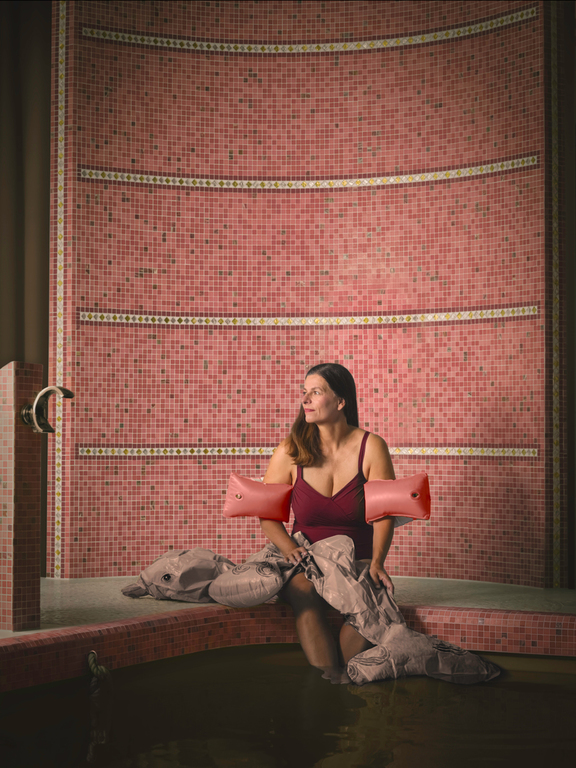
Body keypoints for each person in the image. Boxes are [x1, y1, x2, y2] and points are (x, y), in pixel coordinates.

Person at [260, 362, 398, 684]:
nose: (305, 399)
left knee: (366, 597)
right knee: (303, 590)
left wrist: (377, 563)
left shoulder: (371, 447)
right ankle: (328, 677)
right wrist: (289, 548)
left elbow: (384, 514)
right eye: (304, 392)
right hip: (307, 559)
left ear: (340, 401)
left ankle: (348, 678)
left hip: (356, 558)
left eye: (316, 392)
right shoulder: (290, 451)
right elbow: (268, 515)